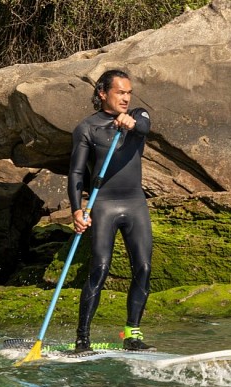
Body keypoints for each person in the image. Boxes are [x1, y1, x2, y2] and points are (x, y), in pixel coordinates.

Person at [67, 69, 154, 353]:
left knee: (142, 268)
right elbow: (77, 172)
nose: (126, 98)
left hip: (135, 204)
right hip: (102, 204)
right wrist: (76, 211)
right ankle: (83, 338)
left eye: (129, 92)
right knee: (100, 269)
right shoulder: (87, 128)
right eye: (120, 92)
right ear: (103, 93)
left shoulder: (139, 116)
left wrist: (129, 124)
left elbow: (142, 127)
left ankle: (132, 333)